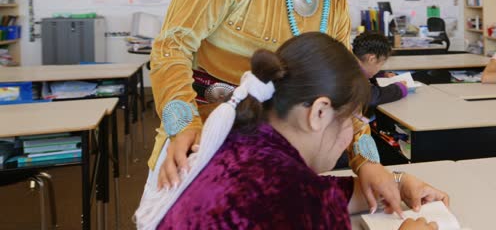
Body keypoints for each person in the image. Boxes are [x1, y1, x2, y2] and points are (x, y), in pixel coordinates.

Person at [148, 0, 409, 213]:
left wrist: (367, 161)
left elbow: (346, 89)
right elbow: (172, 47)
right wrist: (183, 127)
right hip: (200, 158)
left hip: (277, 171)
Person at [135, 33, 447, 229]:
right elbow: (303, 200)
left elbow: (319, 193)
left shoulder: (240, 143)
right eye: (353, 121)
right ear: (320, 112)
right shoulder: (294, 199)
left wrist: (397, 183)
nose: (351, 136)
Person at [352, 31, 409, 113]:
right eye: (381, 64)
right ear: (372, 59)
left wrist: (381, 75)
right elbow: (372, 96)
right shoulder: (352, 76)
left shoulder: (351, 65)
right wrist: (399, 89)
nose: (380, 68)